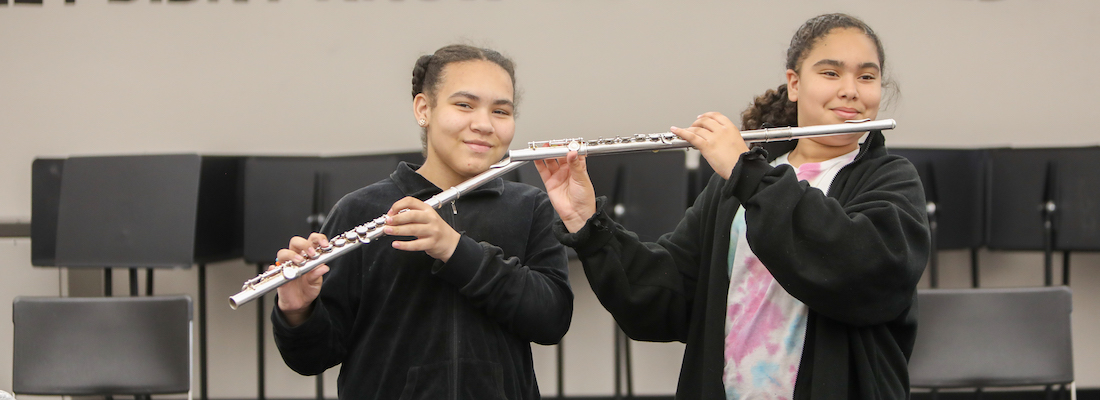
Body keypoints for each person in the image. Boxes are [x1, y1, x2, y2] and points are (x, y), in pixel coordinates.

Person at [535, 13, 929, 400]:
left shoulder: (891, 178)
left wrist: (750, 177)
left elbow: (862, 273)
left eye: (866, 76)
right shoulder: (737, 184)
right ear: (794, 83)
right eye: (831, 73)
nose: (851, 90)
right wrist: (588, 222)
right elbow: (667, 297)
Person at [271, 44, 573, 400]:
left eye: (501, 111)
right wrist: (298, 309)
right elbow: (312, 358)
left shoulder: (530, 207)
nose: (484, 124)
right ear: (424, 109)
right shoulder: (360, 209)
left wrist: (455, 249)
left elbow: (551, 320)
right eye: (464, 105)